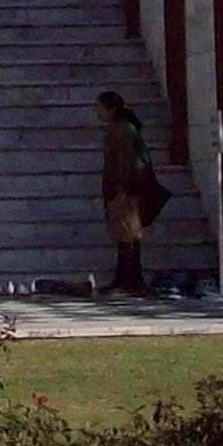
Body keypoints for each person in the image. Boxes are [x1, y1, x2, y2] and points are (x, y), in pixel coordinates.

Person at [98, 90, 155, 295]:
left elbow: (125, 162)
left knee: (127, 234)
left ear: (111, 109)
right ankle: (128, 278)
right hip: (126, 188)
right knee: (125, 234)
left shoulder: (121, 131)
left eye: (101, 108)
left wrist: (121, 190)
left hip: (127, 190)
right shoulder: (121, 128)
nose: (99, 112)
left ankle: (129, 279)